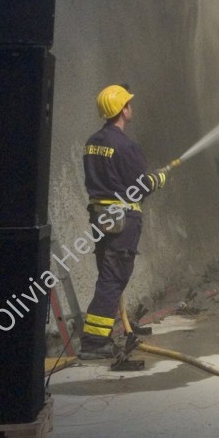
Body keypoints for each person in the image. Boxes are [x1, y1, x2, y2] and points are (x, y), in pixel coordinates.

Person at [79, 84, 166, 360]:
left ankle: (97, 337)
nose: (131, 107)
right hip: (121, 220)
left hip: (99, 217)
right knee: (114, 277)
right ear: (122, 109)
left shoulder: (92, 142)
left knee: (107, 275)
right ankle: (94, 342)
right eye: (128, 103)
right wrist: (158, 180)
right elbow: (139, 187)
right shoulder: (125, 145)